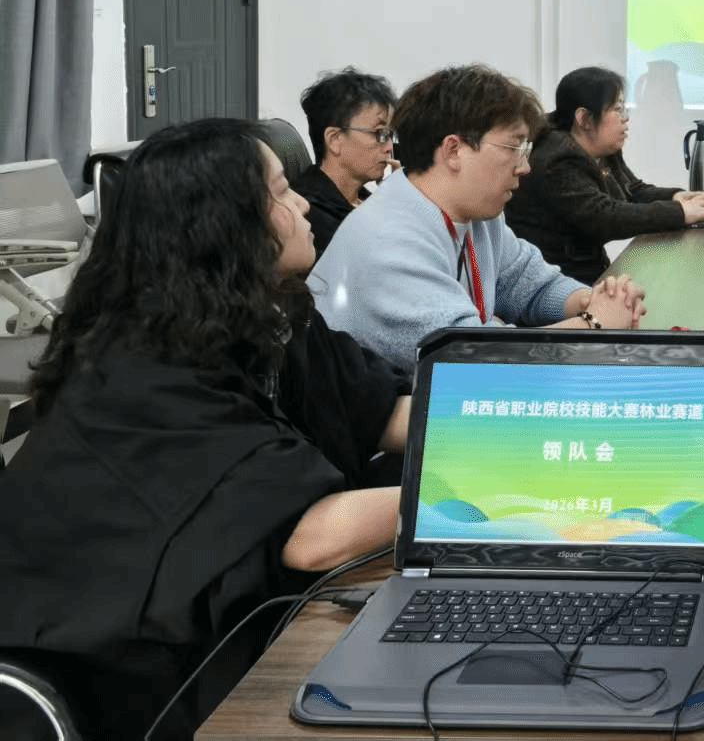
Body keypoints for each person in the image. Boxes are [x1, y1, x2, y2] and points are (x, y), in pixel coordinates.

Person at [0, 119, 410, 739]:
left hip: (230, 635)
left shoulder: (266, 314)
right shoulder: (140, 369)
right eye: (281, 191)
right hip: (127, 676)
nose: (304, 204)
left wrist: (505, 434)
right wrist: (490, 495)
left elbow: (383, 413)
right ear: (224, 226)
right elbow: (311, 538)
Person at [313, 64, 646, 369]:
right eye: (514, 148)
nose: (524, 167)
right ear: (454, 150)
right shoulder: (388, 242)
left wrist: (593, 301)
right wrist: (594, 324)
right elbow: (473, 361)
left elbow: (528, 283)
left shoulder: (477, 214)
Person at [507, 66, 704, 283]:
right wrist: (679, 213)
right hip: (558, 285)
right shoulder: (557, 160)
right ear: (584, 119)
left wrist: (675, 197)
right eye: (618, 110)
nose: (625, 119)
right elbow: (604, 217)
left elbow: (631, 190)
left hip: (589, 275)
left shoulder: (602, 148)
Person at [292, 67, 399, 258]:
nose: (389, 146)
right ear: (334, 139)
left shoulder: (368, 202)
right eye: (380, 134)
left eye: (390, 135)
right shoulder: (310, 215)